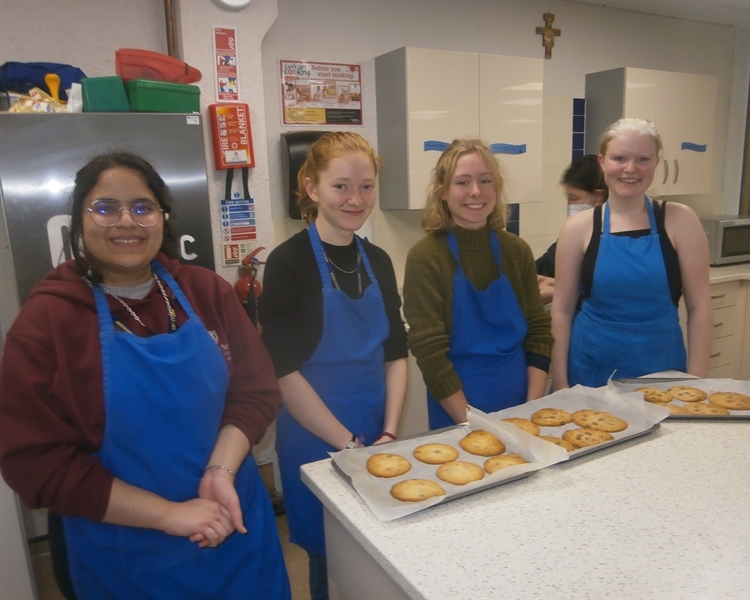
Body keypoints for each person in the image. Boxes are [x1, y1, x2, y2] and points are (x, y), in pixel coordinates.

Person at [0, 153, 291, 599]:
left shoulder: (205, 291)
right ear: (78, 222)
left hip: (233, 518)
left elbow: (255, 394)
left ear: (162, 217)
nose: (126, 222)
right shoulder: (49, 320)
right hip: (127, 552)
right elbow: (35, 462)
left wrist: (219, 472)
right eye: (105, 208)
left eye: (142, 207)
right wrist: (168, 515)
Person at [258, 132, 408, 600]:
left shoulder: (378, 260)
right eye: (341, 186)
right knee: (331, 560)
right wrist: (346, 445)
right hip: (314, 435)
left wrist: (386, 432)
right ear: (311, 186)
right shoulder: (287, 263)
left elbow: (396, 352)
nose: (355, 199)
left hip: (374, 425)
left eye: (366, 186)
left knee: (379, 551)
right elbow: (283, 372)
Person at [551, 118, 713, 389]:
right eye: (619, 158)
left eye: (643, 159)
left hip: (662, 371)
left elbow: (700, 308)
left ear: (657, 164)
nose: (630, 169)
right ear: (602, 162)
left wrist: (696, 382)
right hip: (590, 370)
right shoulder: (577, 228)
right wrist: (560, 383)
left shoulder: (680, 220)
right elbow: (562, 311)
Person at [403, 138, 554, 430]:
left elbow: (538, 332)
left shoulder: (516, 251)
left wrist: (531, 411)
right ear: (442, 191)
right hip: (458, 412)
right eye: (462, 182)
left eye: (485, 180)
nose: (476, 191)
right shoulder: (426, 257)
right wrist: (475, 425)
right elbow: (431, 354)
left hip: (522, 403)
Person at [536, 154, 608, 304]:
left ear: (599, 197)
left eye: (574, 198)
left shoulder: (616, 242)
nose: (570, 205)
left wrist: (564, 293)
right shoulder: (571, 238)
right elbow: (540, 270)